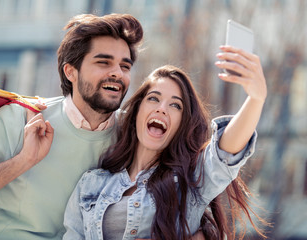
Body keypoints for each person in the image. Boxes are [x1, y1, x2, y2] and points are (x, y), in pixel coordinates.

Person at [0, 13, 144, 239]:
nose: (117, 73)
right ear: (71, 71)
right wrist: (22, 162)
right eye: (103, 62)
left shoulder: (134, 137)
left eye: (125, 66)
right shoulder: (19, 118)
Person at [63, 46, 269, 240]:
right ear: (137, 111)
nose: (162, 108)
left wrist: (256, 98)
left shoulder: (190, 182)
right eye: (153, 99)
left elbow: (225, 152)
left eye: (175, 105)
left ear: (181, 124)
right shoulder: (91, 183)